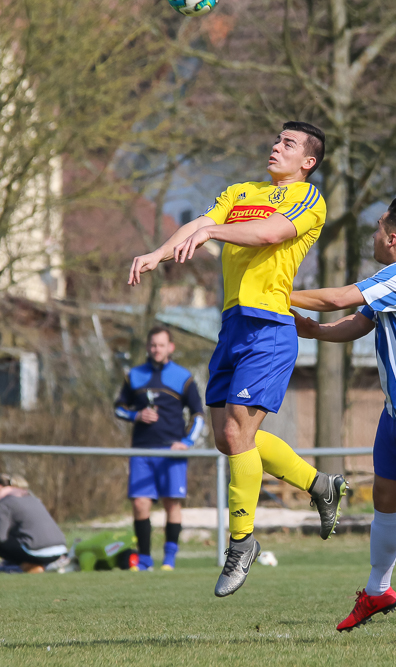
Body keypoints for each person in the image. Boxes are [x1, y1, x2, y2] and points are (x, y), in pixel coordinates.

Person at [128, 121, 347, 597]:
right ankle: (320, 484)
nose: (275, 146)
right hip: (232, 325)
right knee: (230, 442)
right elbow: (200, 225)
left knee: (236, 433)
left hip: (269, 326)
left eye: (288, 144)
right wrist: (159, 252)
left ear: (308, 162)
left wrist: (213, 233)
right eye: (276, 139)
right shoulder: (241, 190)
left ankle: (242, 543)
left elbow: (269, 234)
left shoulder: (308, 199)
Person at [291, 197, 396, 645]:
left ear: (392, 238)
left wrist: (270, 290)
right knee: (386, 498)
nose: (372, 237)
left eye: (376, 230)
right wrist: (317, 332)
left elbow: (336, 298)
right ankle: (377, 592)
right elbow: (357, 320)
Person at [114, 325, 205, 571]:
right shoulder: (133, 375)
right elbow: (119, 408)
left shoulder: (183, 377)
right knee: (140, 504)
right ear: (147, 347)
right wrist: (136, 415)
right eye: (153, 345)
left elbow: (198, 415)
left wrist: (186, 443)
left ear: (170, 348)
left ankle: (169, 559)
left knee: (171, 504)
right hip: (142, 452)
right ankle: (144, 560)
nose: (157, 349)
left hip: (171, 452)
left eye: (161, 345)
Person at [0, 474, 67, 573]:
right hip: (61, 549)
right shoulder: (33, 499)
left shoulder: (4, 502)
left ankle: (31, 566)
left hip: (38, 552)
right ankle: (47, 564)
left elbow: (0, 537)